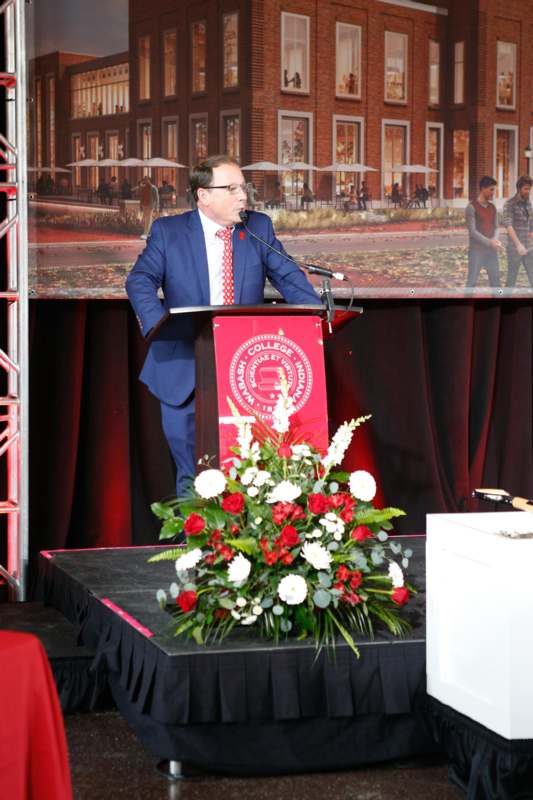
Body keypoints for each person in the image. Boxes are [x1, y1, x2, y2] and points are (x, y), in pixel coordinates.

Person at [126, 154, 321, 496]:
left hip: (246, 368)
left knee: (249, 470)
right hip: (184, 367)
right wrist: (160, 326)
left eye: (243, 187)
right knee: (194, 471)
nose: (243, 196)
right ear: (204, 195)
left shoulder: (257, 228)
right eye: (231, 188)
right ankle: (195, 545)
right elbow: (140, 280)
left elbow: (288, 276)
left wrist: (315, 316)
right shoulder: (168, 232)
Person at [465, 175, 502, 287]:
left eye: (494, 190)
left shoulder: (493, 207)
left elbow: (496, 227)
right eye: (491, 189)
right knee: (471, 282)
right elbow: (473, 232)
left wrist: (495, 241)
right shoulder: (471, 207)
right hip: (476, 251)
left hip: (491, 252)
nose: (493, 192)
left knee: (496, 283)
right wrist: (490, 242)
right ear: (482, 188)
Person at [502, 175, 533, 288]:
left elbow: (530, 226)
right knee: (511, 282)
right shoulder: (510, 204)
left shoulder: (528, 203)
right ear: (519, 188)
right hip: (514, 249)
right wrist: (518, 245)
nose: (528, 191)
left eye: (529, 189)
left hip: (529, 248)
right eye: (526, 188)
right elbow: (508, 225)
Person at [138, 175, 159, 239]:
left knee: (148, 219)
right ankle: (150, 232)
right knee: (146, 219)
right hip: (144, 204)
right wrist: (140, 205)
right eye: (144, 179)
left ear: (149, 180)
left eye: (146, 179)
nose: (145, 181)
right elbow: (141, 197)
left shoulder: (153, 188)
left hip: (150, 205)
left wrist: (157, 207)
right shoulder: (143, 187)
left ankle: (145, 233)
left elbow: (157, 198)